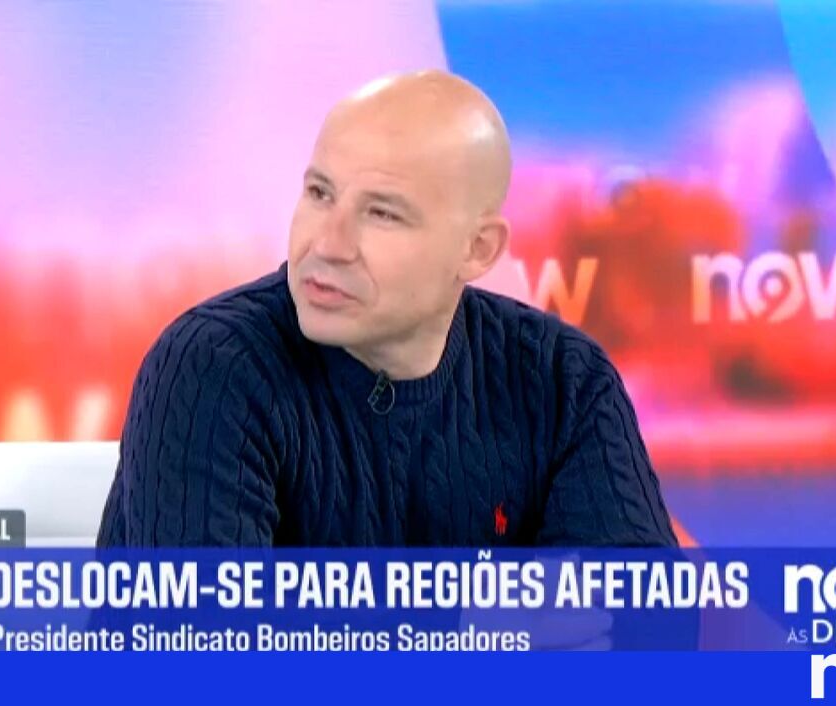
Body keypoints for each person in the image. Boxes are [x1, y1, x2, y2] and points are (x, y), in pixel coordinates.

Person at [97, 70, 676, 547]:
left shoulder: (562, 377)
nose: (327, 245)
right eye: (319, 193)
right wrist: (483, 627)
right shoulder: (215, 367)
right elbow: (208, 641)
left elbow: (648, 622)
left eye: (382, 214)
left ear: (477, 250)